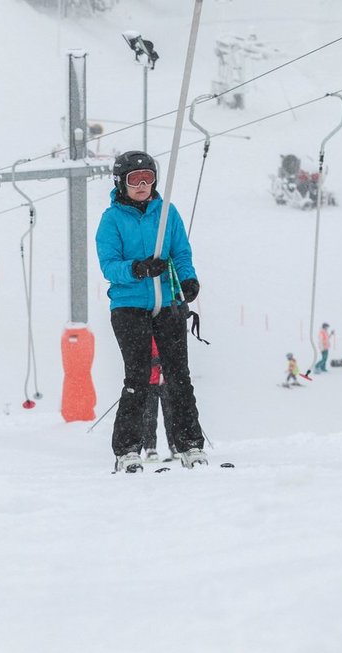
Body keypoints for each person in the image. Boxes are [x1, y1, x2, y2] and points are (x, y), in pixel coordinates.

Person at [95, 150, 206, 473]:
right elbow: (109, 266)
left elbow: (181, 252)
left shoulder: (167, 213)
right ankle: (128, 449)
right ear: (121, 184)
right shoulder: (112, 220)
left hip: (168, 304)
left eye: (148, 179)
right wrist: (138, 269)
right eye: (135, 180)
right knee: (139, 377)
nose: (143, 186)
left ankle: (190, 444)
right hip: (130, 307)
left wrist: (187, 280)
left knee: (178, 376)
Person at [141, 337, 177, 463]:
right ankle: (150, 447)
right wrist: (153, 361)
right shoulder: (146, 332)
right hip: (150, 380)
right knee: (150, 415)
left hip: (166, 380)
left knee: (170, 414)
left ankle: (175, 445)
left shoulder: (164, 329)